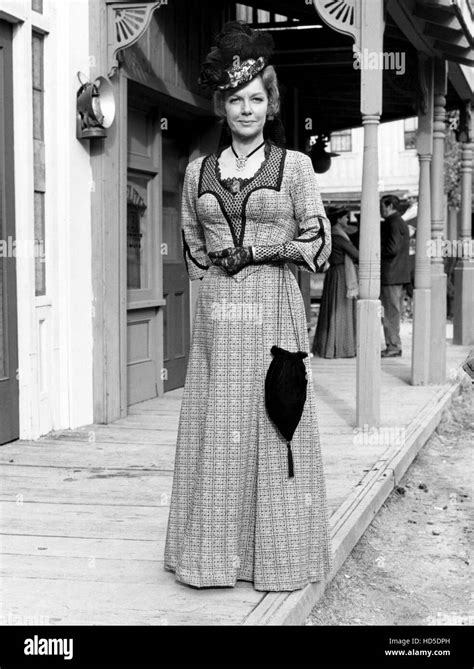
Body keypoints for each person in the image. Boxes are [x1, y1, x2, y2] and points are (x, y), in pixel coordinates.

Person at [163, 20, 333, 592]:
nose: (246, 109)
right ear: (222, 105)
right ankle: (213, 559)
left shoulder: (296, 168)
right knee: (218, 425)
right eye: (236, 99)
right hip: (217, 317)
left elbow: (318, 242)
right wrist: (215, 284)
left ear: (271, 103)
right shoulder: (197, 172)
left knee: (271, 420)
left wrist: (260, 251)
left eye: (257, 98)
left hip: (272, 310)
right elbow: (190, 240)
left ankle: (276, 560)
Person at [312, 206, 359, 358]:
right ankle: (341, 348)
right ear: (339, 220)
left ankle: (332, 346)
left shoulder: (332, 235)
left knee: (334, 309)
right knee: (340, 309)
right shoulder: (338, 236)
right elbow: (356, 254)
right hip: (341, 274)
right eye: (345, 217)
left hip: (335, 273)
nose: (347, 220)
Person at [380, 195, 411, 357]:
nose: (381, 209)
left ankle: (393, 345)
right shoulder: (400, 222)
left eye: (382, 206)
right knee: (393, 311)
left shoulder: (392, 223)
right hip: (397, 275)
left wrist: (376, 252)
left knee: (389, 312)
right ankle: (393, 344)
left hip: (390, 275)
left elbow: (392, 249)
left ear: (390, 205)